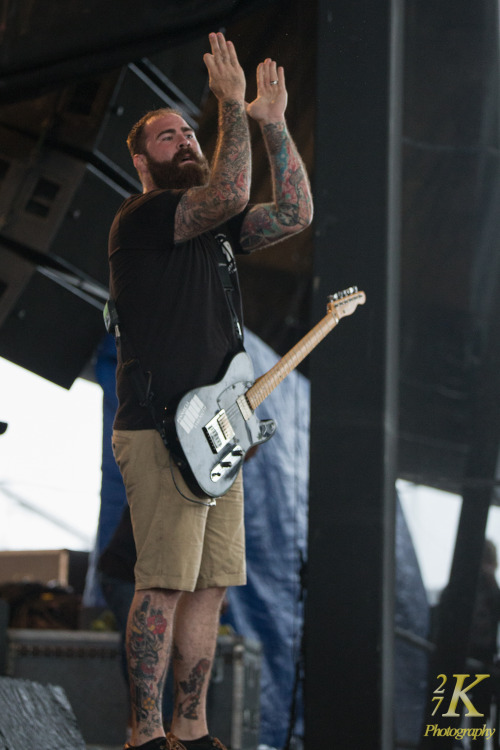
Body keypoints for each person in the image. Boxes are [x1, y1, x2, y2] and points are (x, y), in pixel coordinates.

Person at [108, 31, 313, 750]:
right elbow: (227, 189)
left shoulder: (216, 233)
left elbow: (292, 215)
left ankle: (190, 733)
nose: (185, 139)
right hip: (161, 430)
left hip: (216, 432)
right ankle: (145, 733)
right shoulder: (145, 218)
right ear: (142, 162)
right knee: (162, 582)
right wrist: (230, 105)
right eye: (169, 136)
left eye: (189, 130)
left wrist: (274, 122)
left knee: (211, 584)